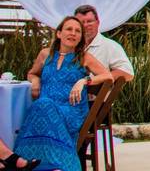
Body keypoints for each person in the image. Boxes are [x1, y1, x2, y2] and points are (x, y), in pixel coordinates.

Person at [14, 16, 112, 171]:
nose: (73, 33)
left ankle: (57, 165)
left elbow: (108, 76)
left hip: (71, 110)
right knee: (42, 105)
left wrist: (84, 81)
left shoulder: (84, 57)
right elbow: (32, 73)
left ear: (80, 37)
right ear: (59, 33)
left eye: (78, 31)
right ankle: (40, 165)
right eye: (69, 29)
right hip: (46, 107)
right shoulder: (45, 55)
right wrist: (35, 81)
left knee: (42, 104)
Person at [74, 4, 134, 82]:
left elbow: (128, 73)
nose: (85, 25)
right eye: (81, 22)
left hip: (98, 93)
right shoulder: (70, 46)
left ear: (97, 22)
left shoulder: (110, 46)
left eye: (89, 21)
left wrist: (93, 80)